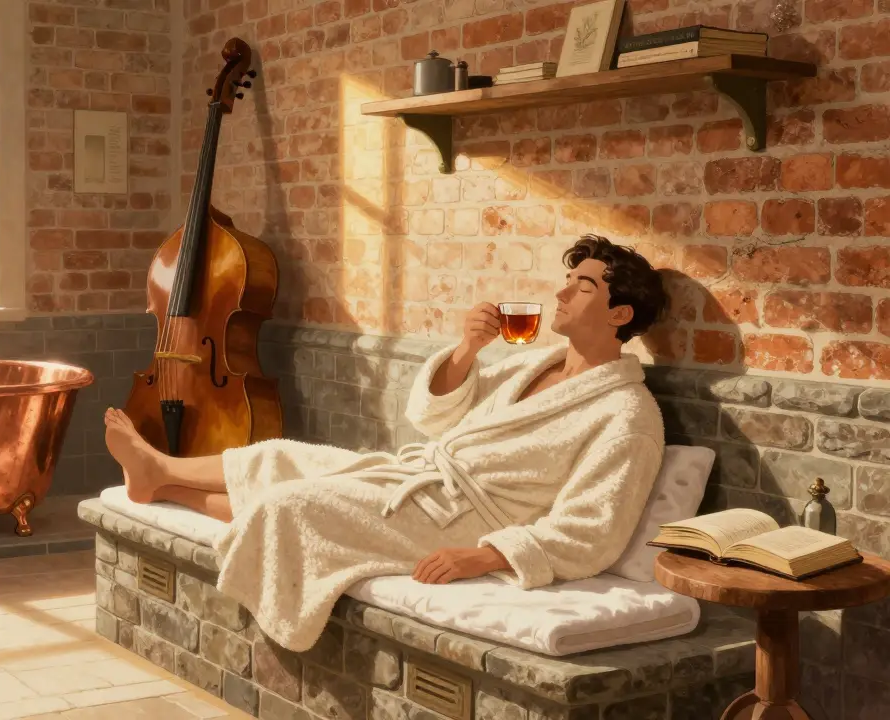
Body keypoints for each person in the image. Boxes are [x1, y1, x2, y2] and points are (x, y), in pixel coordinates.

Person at [103, 234, 670, 652]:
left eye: (583, 286)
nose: (561, 292)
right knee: (276, 456)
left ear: (620, 314)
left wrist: (485, 555)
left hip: (464, 520)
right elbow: (435, 416)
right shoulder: (534, 366)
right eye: (568, 280)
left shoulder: (627, 414)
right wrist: (467, 351)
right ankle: (160, 471)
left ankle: (165, 486)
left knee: (292, 505)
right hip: (425, 482)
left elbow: (593, 529)